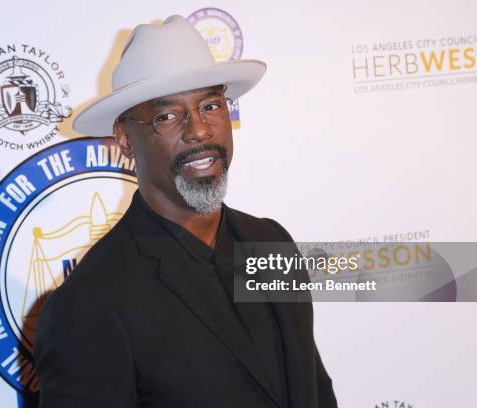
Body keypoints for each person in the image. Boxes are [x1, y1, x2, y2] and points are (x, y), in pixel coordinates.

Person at [34, 15, 337, 408]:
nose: (199, 130)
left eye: (210, 105)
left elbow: (313, 389)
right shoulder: (89, 303)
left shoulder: (270, 242)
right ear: (125, 138)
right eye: (168, 116)